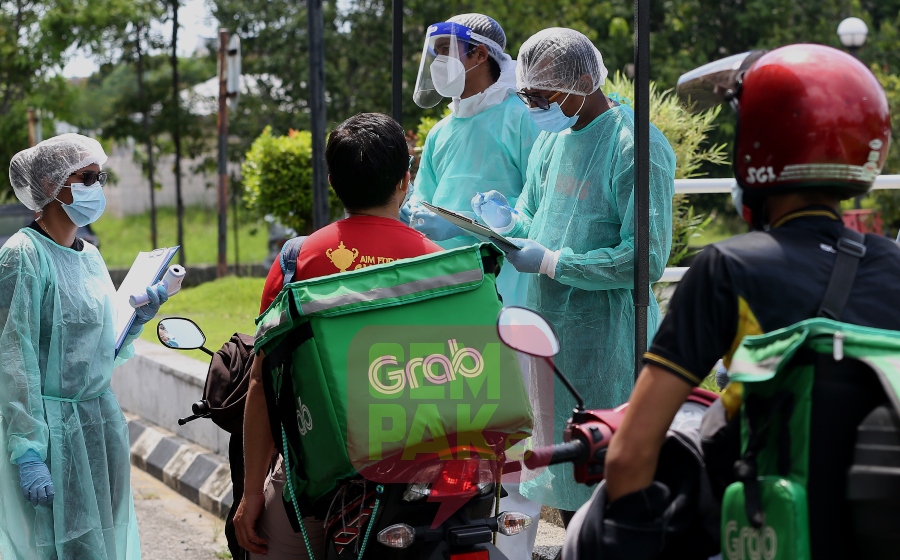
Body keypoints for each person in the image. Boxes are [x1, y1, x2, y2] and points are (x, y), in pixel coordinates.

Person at [603, 44, 897, 558]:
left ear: (759, 145)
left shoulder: (728, 268)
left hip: (767, 535)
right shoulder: (893, 264)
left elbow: (629, 456)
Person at [471, 27, 676, 519]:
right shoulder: (553, 139)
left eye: (543, 95)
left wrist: (554, 262)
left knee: (614, 485)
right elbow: (536, 216)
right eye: (527, 95)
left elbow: (644, 258)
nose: (535, 106)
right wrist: (507, 223)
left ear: (585, 81)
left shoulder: (634, 146)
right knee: (566, 471)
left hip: (609, 339)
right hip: (553, 337)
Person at [235, 113, 442, 558]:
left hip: (315, 473)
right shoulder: (438, 265)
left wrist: (251, 494)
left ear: (333, 182)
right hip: (412, 474)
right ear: (405, 181)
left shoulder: (297, 260)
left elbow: (262, 383)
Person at [0, 134, 169, 559]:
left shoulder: (90, 257)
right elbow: (13, 356)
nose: (97, 187)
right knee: (57, 546)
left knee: (102, 542)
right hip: (50, 432)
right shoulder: (22, 256)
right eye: (86, 177)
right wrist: (28, 451)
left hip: (100, 424)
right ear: (50, 184)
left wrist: (136, 320)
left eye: (100, 177)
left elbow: (101, 346)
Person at [407, 13, 539, 308]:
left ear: (480, 53)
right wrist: (410, 215)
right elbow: (424, 200)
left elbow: (541, 204)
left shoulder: (521, 118)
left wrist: (466, 223)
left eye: (447, 49)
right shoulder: (440, 131)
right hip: (445, 283)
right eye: (437, 52)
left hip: (506, 285)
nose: (439, 61)